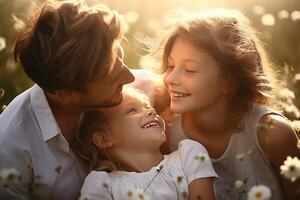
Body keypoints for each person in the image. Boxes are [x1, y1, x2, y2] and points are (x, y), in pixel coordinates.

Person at [0, 1, 134, 199]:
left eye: (120, 58)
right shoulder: (10, 155)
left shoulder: (117, 93)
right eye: (111, 77)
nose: (130, 77)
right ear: (65, 94)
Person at [161, 8, 300, 200]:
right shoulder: (167, 136)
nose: (170, 78)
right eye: (170, 65)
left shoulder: (272, 133)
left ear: (230, 81)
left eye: (190, 69)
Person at [77, 86, 217, 200]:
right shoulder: (101, 185)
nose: (151, 110)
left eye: (147, 106)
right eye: (131, 110)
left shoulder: (189, 154)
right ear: (104, 139)